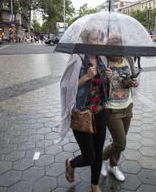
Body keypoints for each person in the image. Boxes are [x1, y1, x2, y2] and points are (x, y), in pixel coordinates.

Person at [61, 29, 111, 192]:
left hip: (100, 112)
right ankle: (71, 164)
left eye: (99, 39)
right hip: (82, 114)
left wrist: (108, 77)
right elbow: (66, 87)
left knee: (98, 153)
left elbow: (103, 88)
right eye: (93, 39)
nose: (97, 42)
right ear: (85, 40)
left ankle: (94, 185)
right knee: (89, 156)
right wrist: (85, 77)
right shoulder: (76, 59)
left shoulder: (103, 58)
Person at [100, 35, 138, 182]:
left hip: (127, 105)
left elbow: (131, 79)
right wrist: (105, 78)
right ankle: (99, 159)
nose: (118, 51)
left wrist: (133, 83)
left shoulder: (128, 59)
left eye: (120, 47)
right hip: (112, 108)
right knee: (121, 143)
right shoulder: (104, 61)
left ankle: (113, 165)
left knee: (118, 143)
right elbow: (99, 87)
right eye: (115, 47)